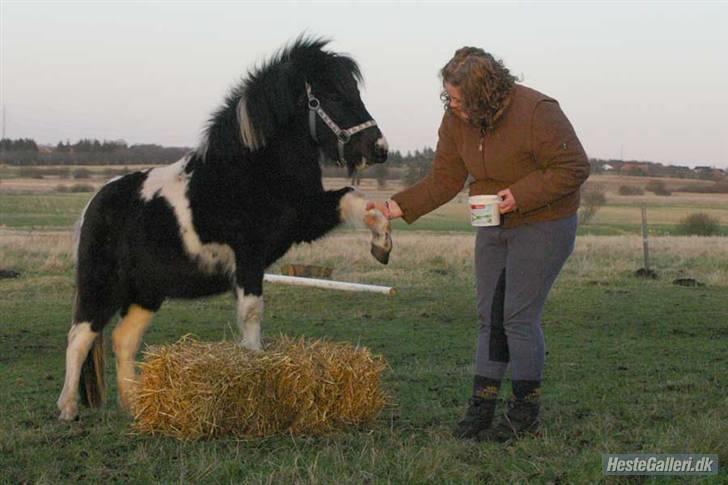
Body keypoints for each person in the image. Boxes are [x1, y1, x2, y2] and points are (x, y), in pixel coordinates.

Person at [368, 47, 590, 442]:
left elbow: (574, 167)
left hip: (545, 222)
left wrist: (519, 195)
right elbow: (444, 178)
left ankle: (524, 416)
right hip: (493, 224)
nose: (450, 105)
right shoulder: (457, 121)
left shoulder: (538, 111)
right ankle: (481, 408)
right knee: (490, 317)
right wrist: (393, 207)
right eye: (447, 98)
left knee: (518, 318)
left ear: (484, 94)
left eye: (457, 98)